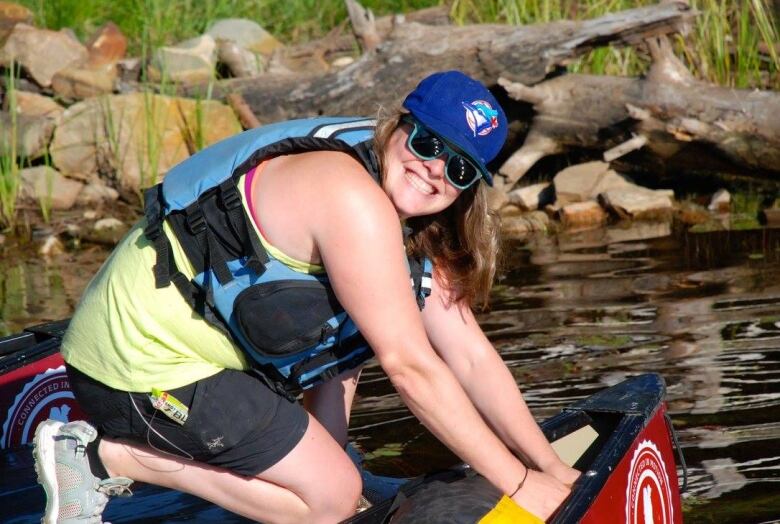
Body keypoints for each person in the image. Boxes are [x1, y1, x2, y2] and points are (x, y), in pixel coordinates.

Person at [33, 70, 579, 524]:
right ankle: (103, 458)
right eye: (427, 143)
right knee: (331, 501)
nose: (434, 168)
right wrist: (519, 485)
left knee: (344, 460)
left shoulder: (399, 205)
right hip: (136, 368)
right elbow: (413, 368)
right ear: (398, 126)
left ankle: (330, 470)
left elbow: (469, 354)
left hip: (191, 357)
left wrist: (548, 468)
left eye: (459, 168)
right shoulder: (350, 197)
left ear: (468, 188)